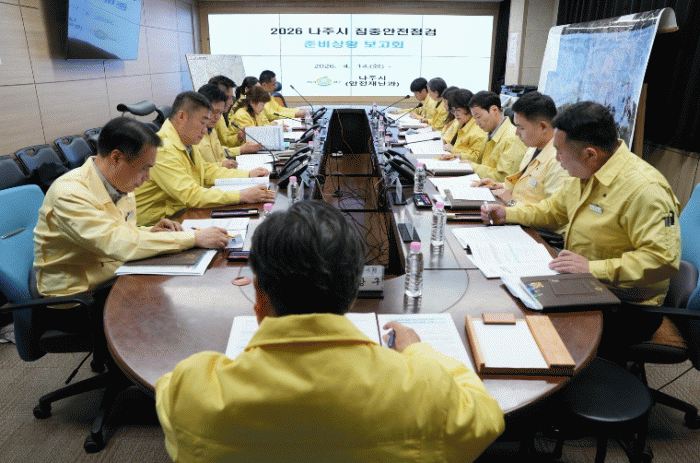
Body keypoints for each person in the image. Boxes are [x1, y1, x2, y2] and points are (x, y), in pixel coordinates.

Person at [155, 201, 505, 462]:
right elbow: (485, 416)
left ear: (260, 296)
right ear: (353, 293)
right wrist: (417, 351)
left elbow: (167, 396)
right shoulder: (424, 390)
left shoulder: (194, 390)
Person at [481, 101, 680, 358]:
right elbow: (553, 210)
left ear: (590, 154)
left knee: (534, 332)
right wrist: (508, 213)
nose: (556, 159)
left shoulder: (645, 190)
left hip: (626, 305)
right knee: (510, 301)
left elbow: (662, 260)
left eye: (560, 152)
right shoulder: (584, 173)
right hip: (581, 285)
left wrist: (592, 268)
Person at [33, 117, 229, 298]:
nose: (148, 178)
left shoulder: (120, 182)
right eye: (144, 168)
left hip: (113, 275)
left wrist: (149, 232)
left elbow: (120, 231)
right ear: (116, 158)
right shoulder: (69, 193)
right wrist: (193, 238)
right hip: (78, 296)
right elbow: (117, 244)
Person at [134, 91, 274, 227]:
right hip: (157, 226)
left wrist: (248, 174)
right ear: (182, 117)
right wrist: (241, 196)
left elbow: (206, 171)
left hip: (183, 214)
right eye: (202, 123)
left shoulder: (185, 140)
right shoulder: (162, 149)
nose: (205, 131)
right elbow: (191, 195)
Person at [472, 91, 568, 207]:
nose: (517, 133)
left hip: (521, 216)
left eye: (521, 128)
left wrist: (512, 203)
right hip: (512, 210)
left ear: (543, 126)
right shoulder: (533, 148)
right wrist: (499, 186)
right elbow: (523, 187)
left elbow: (553, 213)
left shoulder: (559, 161)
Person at [467, 90, 527, 182]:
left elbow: (505, 178)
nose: (477, 123)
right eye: (475, 118)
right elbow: (482, 163)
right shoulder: (491, 132)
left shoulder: (512, 138)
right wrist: (463, 159)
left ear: (494, 110)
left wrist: (473, 167)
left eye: (478, 117)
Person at [196, 84, 260, 168]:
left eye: (220, 113)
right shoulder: (192, 134)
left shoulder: (211, 129)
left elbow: (220, 153)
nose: (217, 117)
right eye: (215, 111)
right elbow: (198, 169)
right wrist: (240, 149)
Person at [440, 89, 487, 162]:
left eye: (458, 110)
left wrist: (453, 149)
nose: (455, 114)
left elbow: (477, 158)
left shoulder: (478, 130)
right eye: (453, 110)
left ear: (468, 108)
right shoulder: (461, 122)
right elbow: (448, 140)